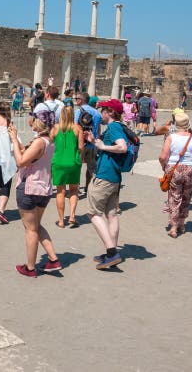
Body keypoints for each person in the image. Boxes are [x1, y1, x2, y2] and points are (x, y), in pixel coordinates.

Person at [9, 109, 61, 277]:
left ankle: (30, 268)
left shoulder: (39, 142)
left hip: (30, 188)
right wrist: (16, 139)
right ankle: (53, 259)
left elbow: (21, 161)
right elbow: (29, 154)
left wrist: (13, 141)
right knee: (36, 226)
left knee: (30, 229)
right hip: (43, 188)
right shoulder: (49, 141)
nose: (30, 121)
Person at [85, 99, 128, 270]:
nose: (100, 112)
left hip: (105, 176)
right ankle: (111, 251)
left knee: (92, 212)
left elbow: (122, 147)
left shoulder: (114, 127)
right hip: (114, 176)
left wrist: (103, 146)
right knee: (111, 215)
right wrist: (95, 141)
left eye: (103, 109)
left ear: (110, 112)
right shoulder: (116, 127)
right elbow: (108, 146)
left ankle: (111, 253)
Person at [158, 112, 192, 238]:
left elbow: (163, 156)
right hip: (191, 168)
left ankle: (173, 227)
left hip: (174, 168)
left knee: (174, 196)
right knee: (187, 196)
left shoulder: (171, 137)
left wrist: (164, 166)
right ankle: (182, 224)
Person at [51, 106, 84, 228]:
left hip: (58, 162)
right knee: (74, 190)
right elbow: (80, 147)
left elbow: (49, 144)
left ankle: (61, 220)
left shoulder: (55, 128)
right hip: (73, 162)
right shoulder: (77, 128)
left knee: (60, 191)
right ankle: (72, 216)